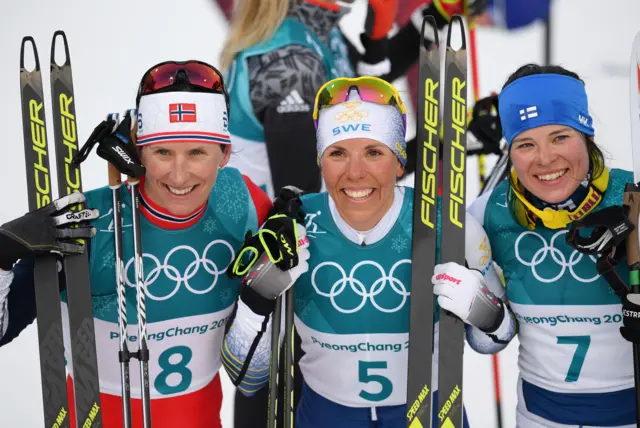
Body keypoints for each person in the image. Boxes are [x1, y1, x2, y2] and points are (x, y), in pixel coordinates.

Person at [0, 60, 309, 428]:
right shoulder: (86, 222)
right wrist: (4, 253)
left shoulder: (242, 205)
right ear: (138, 151)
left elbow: (251, 377)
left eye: (197, 152)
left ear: (224, 153)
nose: (179, 175)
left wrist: (261, 296)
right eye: (162, 152)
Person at [222, 76, 491, 427]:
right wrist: (255, 302)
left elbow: (492, 341)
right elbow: (248, 378)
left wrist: (483, 309)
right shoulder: (293, 224)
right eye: (337, 153)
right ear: (320, 160)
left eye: (374, 152)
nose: (355, 173)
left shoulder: (449, 224)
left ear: (398, 162)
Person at [432, 63, 637, 427]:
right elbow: (489, 342)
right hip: (540, 417)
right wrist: (485, 312)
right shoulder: (488, 215)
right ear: (510, 151)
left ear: (586, 135)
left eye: (560, 137)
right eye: (526, 144)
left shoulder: (632, 200)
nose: (545, 159)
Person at [219, 0, 489, 196]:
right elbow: (309, 203)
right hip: (267, 251)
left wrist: (440, 13)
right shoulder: (292, 66)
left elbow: (358, 85)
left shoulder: (310, 27)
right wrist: (432, 146)